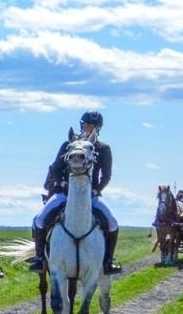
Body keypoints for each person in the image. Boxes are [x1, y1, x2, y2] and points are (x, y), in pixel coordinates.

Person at [25, 109, 121, 273]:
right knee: (40, 220)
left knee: (113, 223)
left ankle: (108, 261)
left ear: (99, 128)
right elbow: (55, 168)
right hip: (65, 193)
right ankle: (39, 258)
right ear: (82, 125)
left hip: (91, 196)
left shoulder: (104, 149)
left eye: (93, 126)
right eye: (86, 125)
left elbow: (106, 175)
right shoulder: (67, 145)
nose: (89, 128)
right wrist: (62, 184)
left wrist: (97, 190)